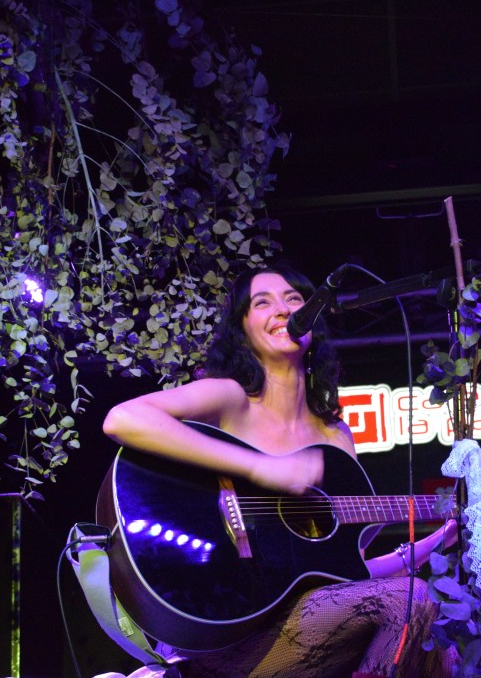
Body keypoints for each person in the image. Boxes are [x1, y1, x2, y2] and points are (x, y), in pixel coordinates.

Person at [102, 262, 460, 678]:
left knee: (438, 636)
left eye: (294, 300)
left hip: (316, 628)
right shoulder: (231, 399)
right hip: (228, 631)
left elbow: (348, 576)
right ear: (243, 328)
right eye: (262, 302)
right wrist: (261, 467)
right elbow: (123, 420)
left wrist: (439, 538)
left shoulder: (335, 437)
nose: (282, 310)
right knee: (415, 601)